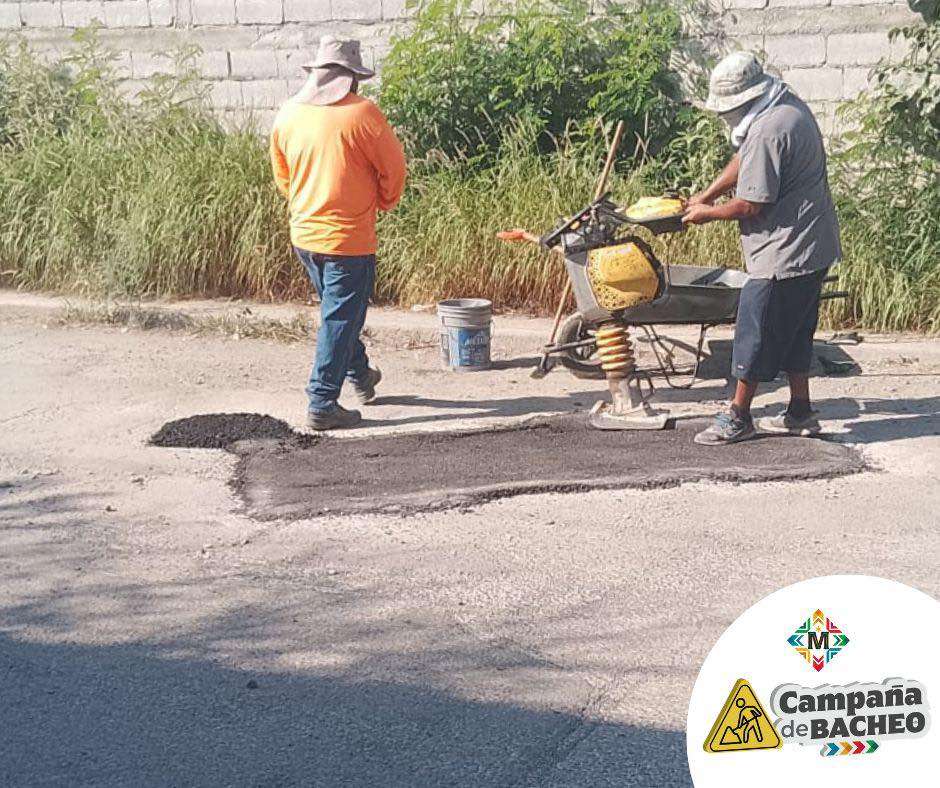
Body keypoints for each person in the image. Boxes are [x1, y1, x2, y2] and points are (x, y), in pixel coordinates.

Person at [682, 52, 842, 446]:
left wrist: (707, 213)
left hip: (784, 251)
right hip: (814, 244)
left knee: (756, 332)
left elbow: (752, 204)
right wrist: (706, 194)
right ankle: (800, 412)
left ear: (743, 100)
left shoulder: (769, 129)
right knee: (796, 331)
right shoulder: (785, 105)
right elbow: (745, 160)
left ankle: (738, 417)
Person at [270, 37, 407, 430]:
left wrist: (308, 205)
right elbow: (394, 169)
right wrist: (384, 201)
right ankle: (322, 401)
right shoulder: (362, 113)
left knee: (338, 313)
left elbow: (283, 175)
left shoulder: (289, 113)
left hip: (304, 236)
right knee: (340, 319)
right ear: (351, 79)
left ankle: (360, 375)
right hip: (348, 240)